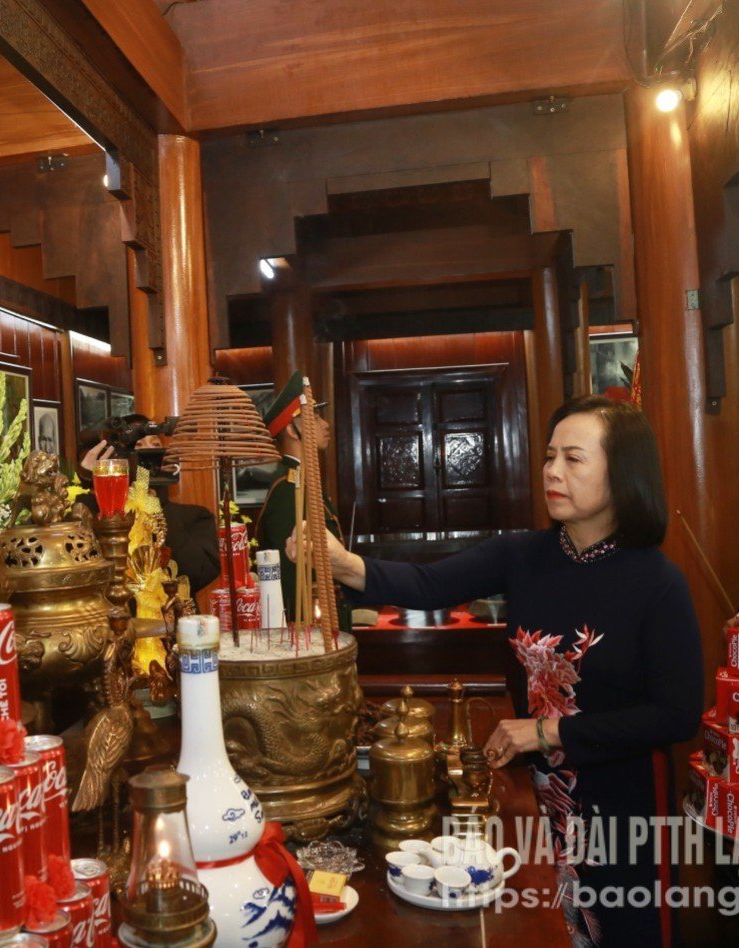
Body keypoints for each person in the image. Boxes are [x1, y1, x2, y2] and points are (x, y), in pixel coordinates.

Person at [290, 395, 702, 946]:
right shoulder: (524, 555)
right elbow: (429, 585)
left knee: (621, 928)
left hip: (618, 797)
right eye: (550, 456)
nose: (553, 470)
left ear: (622, 473)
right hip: (535, 788)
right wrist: (345, 565)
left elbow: (677, 715)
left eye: (574, 459)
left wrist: (547, 731)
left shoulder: (657, 582)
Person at [255, 371, 353, 629]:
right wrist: (305, 627)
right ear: (291, 429)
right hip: (312, 625)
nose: (325, 424)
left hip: (327, 615)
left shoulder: (304, 480)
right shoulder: (288, 489)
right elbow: (291, 572)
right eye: (315, 416)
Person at [77, 425, 220, 595]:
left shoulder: (194, 516)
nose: (147, 454)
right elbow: (78, 564)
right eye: (137, 447)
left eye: (155, 445)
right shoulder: (102, 513)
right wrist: (95, 484)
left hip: (171, 617)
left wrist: (155, 508)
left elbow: (197, 575)